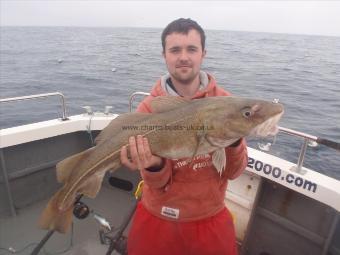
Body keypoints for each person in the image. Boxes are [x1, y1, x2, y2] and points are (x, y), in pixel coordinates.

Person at [120, 18, 248, 255]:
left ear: (203, 53)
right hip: (158, 217)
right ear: (164, 55)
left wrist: (234, 141)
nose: (184, 57)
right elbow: (158, 185)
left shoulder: (226, 103)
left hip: (209, 217)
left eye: (191, 49)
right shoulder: (149, 108)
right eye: (175, 50)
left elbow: (234, 172)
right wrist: (154, 165)